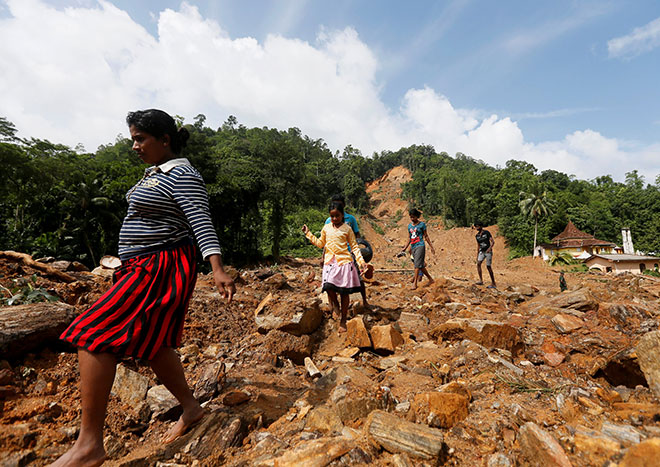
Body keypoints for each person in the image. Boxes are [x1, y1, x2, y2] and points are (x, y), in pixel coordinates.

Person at [52, 109, 235, 467]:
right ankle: (192, 408)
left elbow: (200, 220)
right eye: (133, 138)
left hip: (159, 266)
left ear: (164, 139)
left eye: (140, 138)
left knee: (92, 333)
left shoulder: (182, 173)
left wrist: (217, 268)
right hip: (141, 266)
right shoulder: (156, 174)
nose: (134, 145)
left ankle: (89, 445)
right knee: (154, 346)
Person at [303, 202, 368, 333]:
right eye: (332, 216)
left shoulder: (347, 229)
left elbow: (354, 247)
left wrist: (361, 262)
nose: (334, 219)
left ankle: (343, 320)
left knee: (344, 292)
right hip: (329, 263)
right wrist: (308, 233)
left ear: (342, 215)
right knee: (327, 287)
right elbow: (321, 243)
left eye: (337, 216)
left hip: (344, 262)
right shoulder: (326, 228)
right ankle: (335, 304)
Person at [324, 194, 370, 308]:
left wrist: (358, 250)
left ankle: (365, 301)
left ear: (343, 205)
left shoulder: (351, 219)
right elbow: (326, 240)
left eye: (339, 203)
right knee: (330, 282)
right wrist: (323, 257)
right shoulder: (328, 221)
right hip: (333, 256)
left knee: (359, 278)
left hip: (349, 254)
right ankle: (333, 306)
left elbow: (356, 234)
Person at [400, 208, 435, 290]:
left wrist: (431, 247)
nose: (412, 219)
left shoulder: (422, 225)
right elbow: (409, 237)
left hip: (420, 245)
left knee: (417, 265)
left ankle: (415, 283)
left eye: (413, 217)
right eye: (411, 217)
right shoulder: (409, 226)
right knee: (420, 265)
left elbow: (426, 236)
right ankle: (430, 279)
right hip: (413, 246)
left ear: (417, 216)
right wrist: (405, 248)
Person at [474, 221, 496, 288]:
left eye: (478, 226)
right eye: (476, 226)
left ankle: (493, 283)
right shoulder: (477, 236)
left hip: (488, 251)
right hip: (482, 251)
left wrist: (489, 248)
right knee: (478, 263)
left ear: (481, 226)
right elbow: (478, 245)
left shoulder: (486, 233)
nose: (477, 228)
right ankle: (481, 280)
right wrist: (477, 254)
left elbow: (492, 242)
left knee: (488, 266)